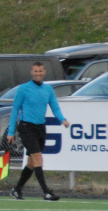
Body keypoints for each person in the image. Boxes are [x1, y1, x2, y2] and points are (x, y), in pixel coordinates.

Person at [7, 61, 69, 201]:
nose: (38, 73)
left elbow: (55, 107)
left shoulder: (48, 89)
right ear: (31, 72)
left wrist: (62, 120)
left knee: (31, 163)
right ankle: (46, 192)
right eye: (35, 71)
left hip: (40, 128)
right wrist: (11, 132)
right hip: (26, 128)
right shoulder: (23, 89)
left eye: (40, 71)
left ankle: (16, 190)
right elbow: (15, 110)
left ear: (44, 72)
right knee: (38, 158)